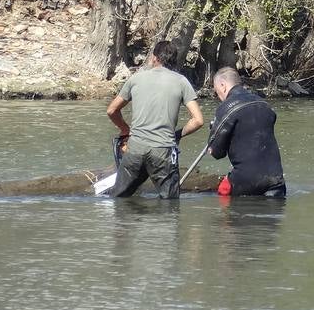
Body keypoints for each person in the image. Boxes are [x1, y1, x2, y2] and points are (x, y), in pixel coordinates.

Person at [106, 40, 204, 199]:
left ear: (154, 57)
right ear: (174, 60)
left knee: (119, 199)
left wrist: (125, 129)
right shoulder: (181, 82)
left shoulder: (136, 79)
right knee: (170, 204)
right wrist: (177, 135)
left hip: (135, 149)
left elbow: (111, 110)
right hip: (163, 150)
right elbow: (198, 120)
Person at [208, 67, 286, 198]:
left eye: (217, 92)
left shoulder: (226, 107)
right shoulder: (264, 103)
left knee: (223, 202)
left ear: (223, 85)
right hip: (276, 179)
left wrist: (213, 134)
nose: (219, 97)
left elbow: (217, 152)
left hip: (246, 181)